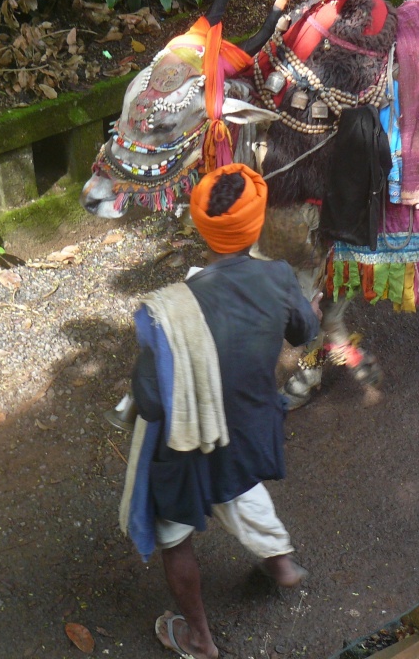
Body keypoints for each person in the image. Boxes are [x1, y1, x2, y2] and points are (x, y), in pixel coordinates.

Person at [118, 164, 320, 659]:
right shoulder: (277, 277)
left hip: (186, 446)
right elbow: (304, 331)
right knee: (239, 489)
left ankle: (200, 639)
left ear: (201, 225)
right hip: (250, 430)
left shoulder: (169, 309)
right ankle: (281, 564)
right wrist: (307, 309)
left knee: (174, 537)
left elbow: (150, 400)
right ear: (256, 224)